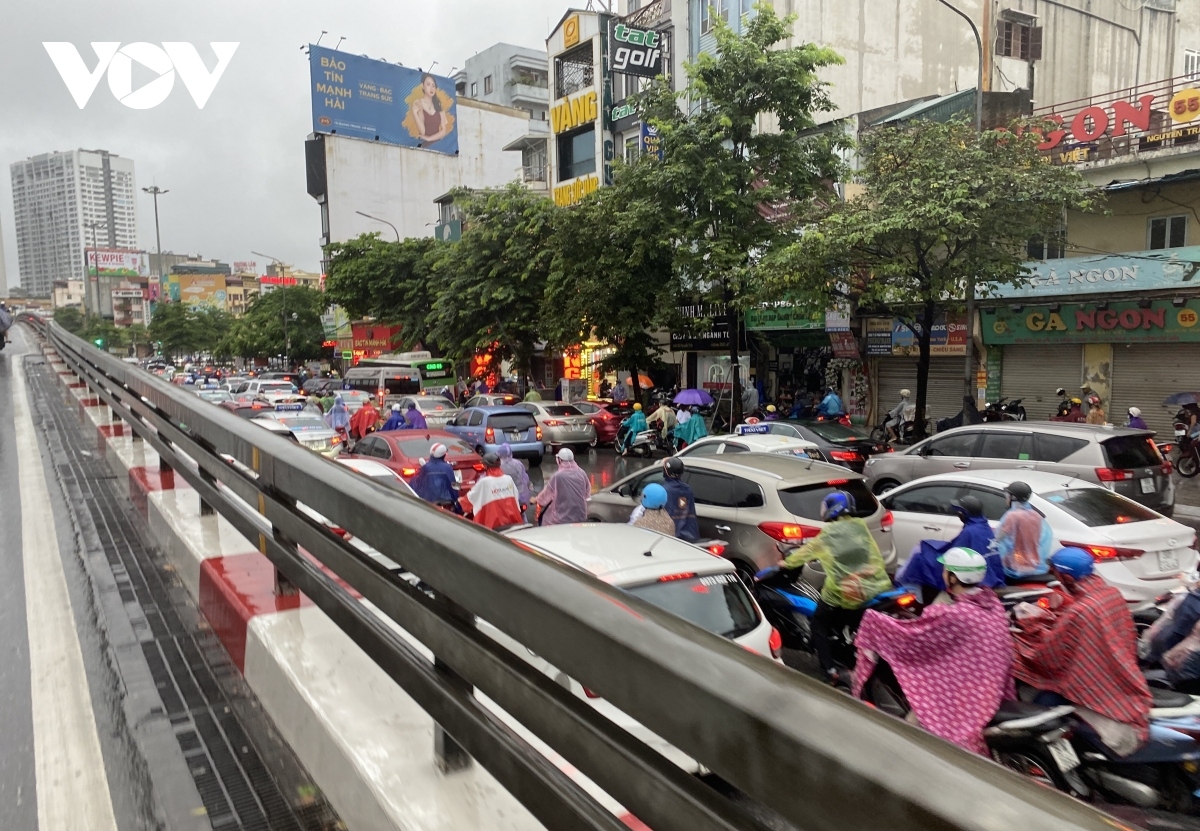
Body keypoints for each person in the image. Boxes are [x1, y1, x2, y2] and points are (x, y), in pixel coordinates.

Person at [853, 547, 1013, 754]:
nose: (943, 574)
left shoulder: (957, 615)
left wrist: (875, 621)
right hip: (990, 681)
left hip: (970, 692)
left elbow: (913, 636)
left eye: (946, 570)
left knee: (912, 726)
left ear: (954, 578)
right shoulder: (991, 604)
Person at [1012, 548, 1152, 754]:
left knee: (1039, 706)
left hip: (1093, 680)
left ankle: (1035, 754)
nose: (1055, 577)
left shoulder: (1081, 611)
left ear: (1066, 577)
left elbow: (1048, 655)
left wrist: (1023, 639)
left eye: (1056, 573)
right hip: (1120, 668)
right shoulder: (1110, 594)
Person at [782, 491, 892, 683]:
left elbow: (806, 553)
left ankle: (829, 669)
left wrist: (786, 563)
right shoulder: (859, 526)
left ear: (831, 509)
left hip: (843, 593)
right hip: (871, 587)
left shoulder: (829, 534)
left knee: (818, 623)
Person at [896, 496, 1005, 604]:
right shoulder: (984, 527)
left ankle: (916, 604)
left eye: (960, 511)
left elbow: (953, 553)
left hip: (972, 578)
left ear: (964, 513)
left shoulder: (969, 532)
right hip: (983, 574)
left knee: (918, 559)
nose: (958, 514)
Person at [1144, 576, 1200, 693]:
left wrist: (1152, 658)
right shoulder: (1191, 600)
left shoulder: (1192, 602)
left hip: (1185, 671)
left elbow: (1172, 634)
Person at [994, 481, 1053, 578]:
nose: (1006, 497)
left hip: (1014, 564)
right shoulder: (1035, 515)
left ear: (1013, 497)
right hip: (1033, 564)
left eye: (1007, 495)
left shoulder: (1012, 516)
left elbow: (998, 538)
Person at [459, 452, 525, 530]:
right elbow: (516, 498)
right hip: (512, 522)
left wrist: (460, 501)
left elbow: (470, 499)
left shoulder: (484, 482)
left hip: (492, 525)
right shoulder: (508, 479)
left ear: (486, 466)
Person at [535, 448, 591, 525]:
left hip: (562, 518)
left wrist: (536, 499)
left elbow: (547, 494)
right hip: (581, 515)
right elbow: (587, 493)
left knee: (546, 519)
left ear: (559, 460)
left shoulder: (558, 476)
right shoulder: (582, 473)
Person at [661, 457, 700, 542]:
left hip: (671, 537)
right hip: (690, 536)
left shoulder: (664, 490)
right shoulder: (687, 489)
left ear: (665, 471)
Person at [409, 443, 460, 507]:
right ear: (444, 455)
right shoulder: (447, 467)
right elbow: (453, 485)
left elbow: (415, 483)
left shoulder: (426, 467)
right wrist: (457, 504)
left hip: (429, 502)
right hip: (445, 501)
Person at [411, 73, 450, 144]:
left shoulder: (438, 105)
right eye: (428, 84)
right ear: (423, 86)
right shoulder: (419, 103)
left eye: (433, 86)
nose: (431, 88)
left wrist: (430, 138)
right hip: (425, 147)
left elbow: (443, 131)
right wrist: (415, 113)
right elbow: (422, 132)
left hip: (439, 146)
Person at [497, 443, 532, 517]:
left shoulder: (498, 466)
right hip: (520, 495)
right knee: (521, 515)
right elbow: (525, 478)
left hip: (504, 495)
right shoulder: (518, 464)